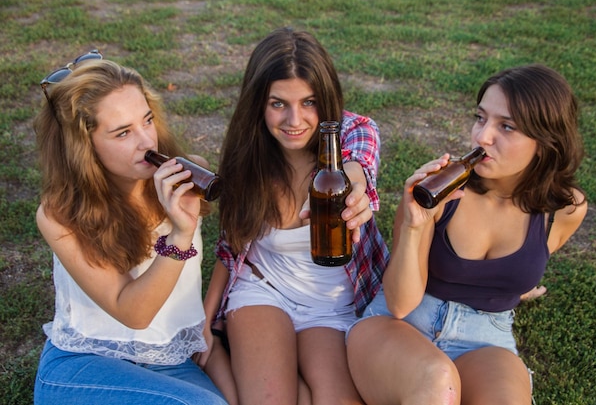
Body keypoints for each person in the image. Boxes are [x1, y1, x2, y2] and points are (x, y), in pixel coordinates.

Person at [346, 64, 588, 405]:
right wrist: (416, 224)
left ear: (546, 141)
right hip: (399, 326)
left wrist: (519, 289)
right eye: (480, 118)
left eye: (506, 126)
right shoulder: (440, 190)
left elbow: (528, 262)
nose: (482, 137)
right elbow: (399, 304)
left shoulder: (564, 209)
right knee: (437, 385)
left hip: (485, 339)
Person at [195, 27, 390, 405]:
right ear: (258, 103)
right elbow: (231, 244)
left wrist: (356, 185)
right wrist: (204, 322)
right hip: (263, 290)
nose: (294, 120)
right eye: (278, 103)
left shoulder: (350, 136)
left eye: (309, 102)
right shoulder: (248, 156)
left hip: (332, 305)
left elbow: (361, 161)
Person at [33, 53, 227, 405]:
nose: (147, 143)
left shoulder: (186, 175)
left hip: (169, 362)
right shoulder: (59, 213)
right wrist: (180, 234)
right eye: (123, 132)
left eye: (147, 120)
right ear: (85, 146)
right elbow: (133, 312)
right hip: (86, 364)